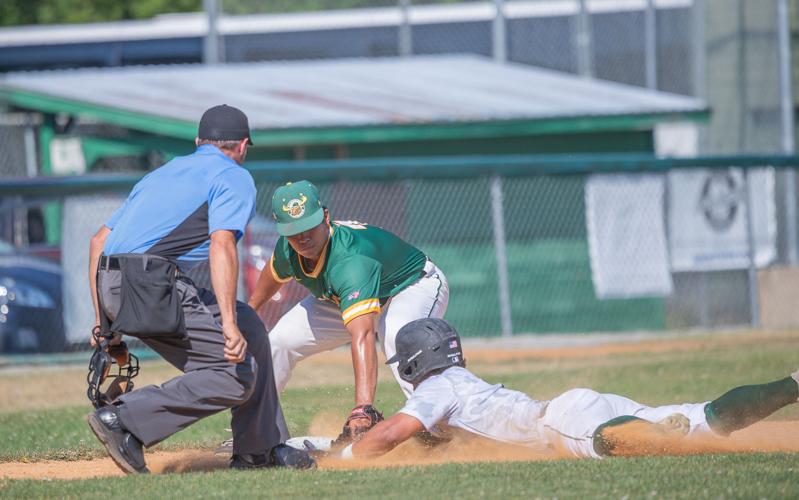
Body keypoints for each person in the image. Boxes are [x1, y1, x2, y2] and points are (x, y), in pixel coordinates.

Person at [87, 104, 314, 474]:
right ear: (242, 146)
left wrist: (104, 329)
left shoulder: (162, 173)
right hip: (150, 282)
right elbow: (222, 244)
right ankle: (125, 420)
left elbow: (98, 243)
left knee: (251, 327)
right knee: (235, 374)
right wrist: (225, 324)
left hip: (115, 282)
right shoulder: (234, 175)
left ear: (198, 142)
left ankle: (258, 449)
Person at [335, 318, 799, 460]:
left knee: (603, 443)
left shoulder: (434, 391)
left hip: (561, 421)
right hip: (584, 405)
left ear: (417, 362)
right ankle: (790, 385)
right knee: (706, 418)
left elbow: (390, 433)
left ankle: (651, 435)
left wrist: (345, 459)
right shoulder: (459, 383)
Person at [248, 180, 449, 443]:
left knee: (399, 337)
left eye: (309, 226)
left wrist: (362, 408)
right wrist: (250, 310)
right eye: (294, 231)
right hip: (344, 296)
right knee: (279, 341)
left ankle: (440, 429)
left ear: (326, 217)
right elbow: (274, 273)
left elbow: (364, 335)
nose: (303, 237)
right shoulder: (289, 248)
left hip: (410, 286)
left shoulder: (351, 260)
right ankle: (255, 431)